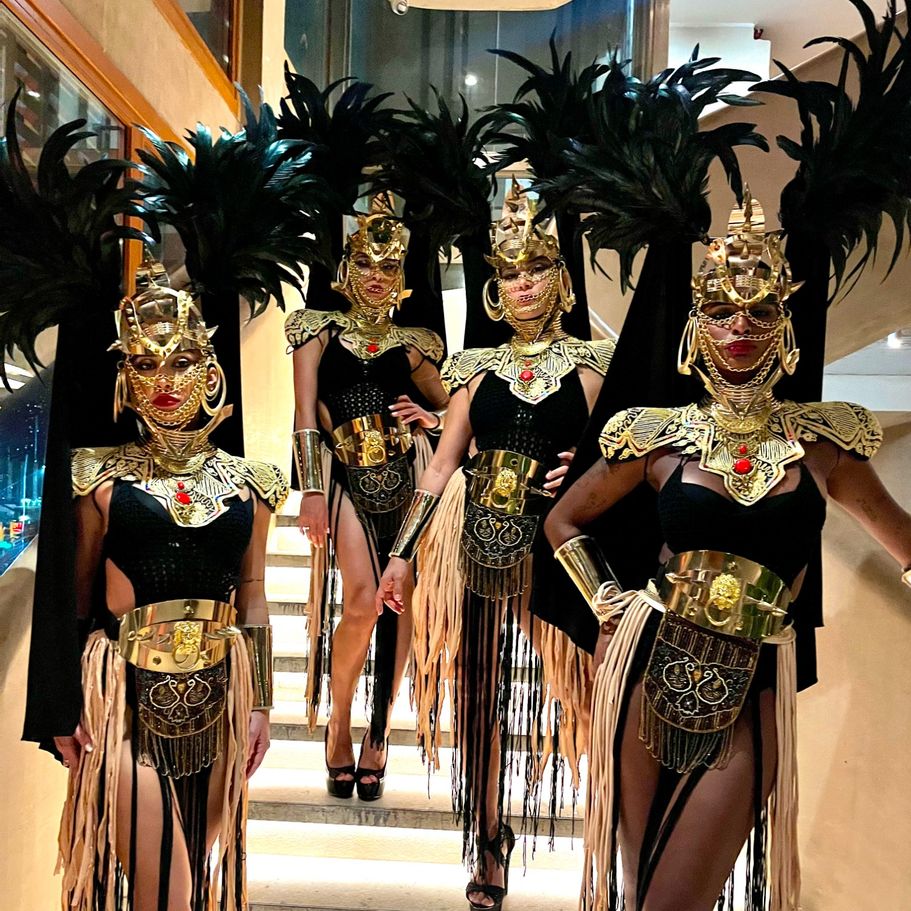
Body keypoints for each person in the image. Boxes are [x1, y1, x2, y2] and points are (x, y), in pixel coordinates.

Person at [545, 195, 911, 911]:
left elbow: (904, 540)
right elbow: (563, 520)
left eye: (759, 311)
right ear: (696, 324)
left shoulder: (825, 442)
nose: (740, 327)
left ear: (784, 323)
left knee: (673, 899)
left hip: (755, 683)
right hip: (648, 665)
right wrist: (606, 600)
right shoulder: (654, 435)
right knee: (638, 890)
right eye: (720, 311)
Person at [376, 183, 615, 911]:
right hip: (479, 536)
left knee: (582, 689)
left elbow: (619, 459)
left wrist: (587, 468)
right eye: (509, 273)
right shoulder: (473, 371)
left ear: (560, 278)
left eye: (535, 269)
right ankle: (487, 836)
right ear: (492, 287)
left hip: (562, 546)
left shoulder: (593, 365)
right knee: (479, 690)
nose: (522, 284)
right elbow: (441, 467)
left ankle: (610, 831)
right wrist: (401, 554)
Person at [55, 270, 287, 910]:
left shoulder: (253, 483)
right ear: (125, 379)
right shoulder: (96, 478)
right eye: (145, 364)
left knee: (190, 883)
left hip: (219, 698)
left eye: (181, 362)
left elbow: (253, 593)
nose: (164, 380)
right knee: (169, 895)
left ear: (210, 374)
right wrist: (61, 702)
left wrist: (262, 703)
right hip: (123, 700)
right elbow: (76, 603)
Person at [285, 203, 447, 800]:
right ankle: (340, 720)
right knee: (361, 602)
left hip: (408, 475)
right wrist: (310, 490)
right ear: (346, 269)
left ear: (401, 275)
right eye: (365, 263)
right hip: (345, 478)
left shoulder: (415, 344)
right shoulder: (315, 331)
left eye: (388, 266)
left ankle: (379, 732)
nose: (376, 275)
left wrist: (432, 416)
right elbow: (306, 414)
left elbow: (454, 408)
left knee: (399, 604)